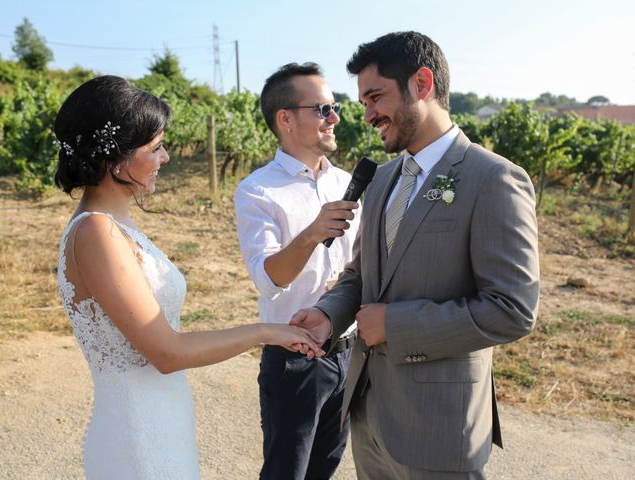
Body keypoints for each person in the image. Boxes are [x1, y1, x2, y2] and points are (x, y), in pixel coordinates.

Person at [291, 32, 540, 479]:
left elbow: (512, 310)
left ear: (422, 84)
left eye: (375, 97)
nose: (366, 115)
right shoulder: (383, 179)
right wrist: (329, 314)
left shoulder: (494, 179)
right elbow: (362, 273)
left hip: (441, 428)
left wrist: (395, 325)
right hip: (369, 418)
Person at [54, 75, 322, 479]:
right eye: (155, 147)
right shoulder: (96, 232)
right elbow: (167, 352)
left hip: (158, 419)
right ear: (115, 157)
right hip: (138, 436)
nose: (166, 158)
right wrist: (266, 331)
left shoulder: (112, 224)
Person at [234, 63, 361, 480]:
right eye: (323, 109)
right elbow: (268, 277)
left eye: (335, 106)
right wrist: (311, 234)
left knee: (325, 468)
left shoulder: (347, 182)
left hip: (350, 355)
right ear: (285, 119)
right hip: (293, 361)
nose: (335, 118)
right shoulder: (258, 190)